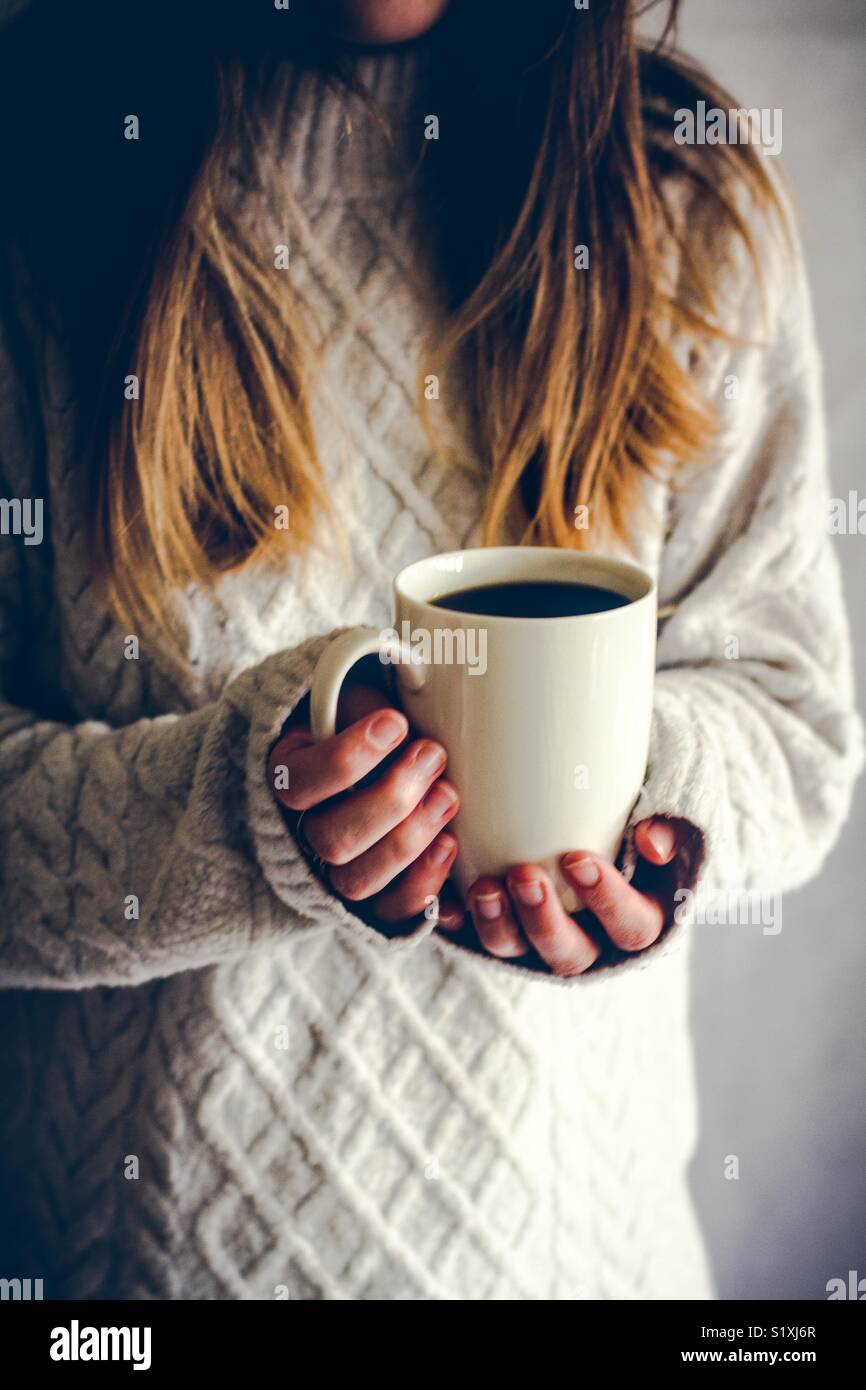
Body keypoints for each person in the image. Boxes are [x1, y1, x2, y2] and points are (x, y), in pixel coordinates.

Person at [0, 0, 861, 1300]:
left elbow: (791, 721)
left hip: (580, 1266)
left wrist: (640, 802)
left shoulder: (677, 198)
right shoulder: (34, 178)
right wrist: (237, 817)